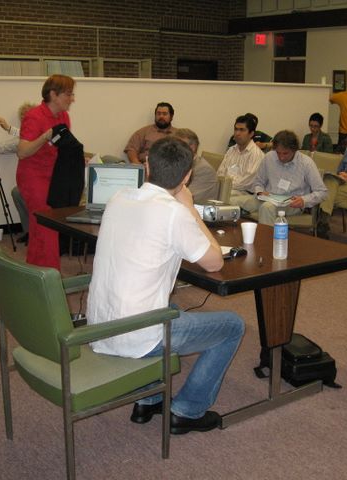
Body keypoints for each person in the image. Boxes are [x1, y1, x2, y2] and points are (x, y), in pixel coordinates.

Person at [86, 136, 245, 434]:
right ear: (187, 177)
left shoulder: (118, 198)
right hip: (137, 335)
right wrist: (190, 209)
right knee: (232, 326)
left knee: (170, 306)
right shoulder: (174, 213)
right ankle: (187, 411)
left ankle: (149, 399)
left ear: (147, 166)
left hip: (100, 326)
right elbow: (214, 262)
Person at [17, 74, 76, 270]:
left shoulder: (64, 116)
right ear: (53, 95)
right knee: (48, 226)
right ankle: (51, 275)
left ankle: (34, 272)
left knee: (40, 228)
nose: (72, 99)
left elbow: (62, 147)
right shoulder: (34, 116)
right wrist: (45, 136)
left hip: (54, 176)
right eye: (68, 94)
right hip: (33, 176)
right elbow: (22, 152)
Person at [237, 130, 327, 225]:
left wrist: (304, 200)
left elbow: (322, 192)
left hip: (291, 204)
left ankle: (267, 235)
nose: (281, 157)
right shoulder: (269, 157)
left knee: (267, 207)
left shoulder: (306, 163)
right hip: (267, 198)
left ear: (294, 150)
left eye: (285, 153)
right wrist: (260, 192)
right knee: (231, 201)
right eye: (278, 153)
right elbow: (258, 182)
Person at [0, 103, 36, 244]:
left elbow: (33, 136)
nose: (25, 120)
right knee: (17, 193)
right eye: (23, 118)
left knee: (32, 197)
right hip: (28, 182)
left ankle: (37, 233)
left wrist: (8, 128)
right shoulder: (20, 140)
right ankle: (28, 232)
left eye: (28, 117)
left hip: (44, 182)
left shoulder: (41, 135)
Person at [217, 114, 265, 207]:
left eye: (242, 130)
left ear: (251, 134)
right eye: (236, 129)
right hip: (227, 188)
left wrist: (225, 185)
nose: (237, 133)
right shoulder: (231, 150)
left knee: (222, 197)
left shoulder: (256, 154)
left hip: (245, 193)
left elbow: (246, 182)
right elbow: (220, 172)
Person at [173, 128, 219, 203]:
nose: (171, 150)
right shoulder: (176, 164)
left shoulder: (204, 170)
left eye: (176, 146)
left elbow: (186, 198)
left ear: (192, 148)